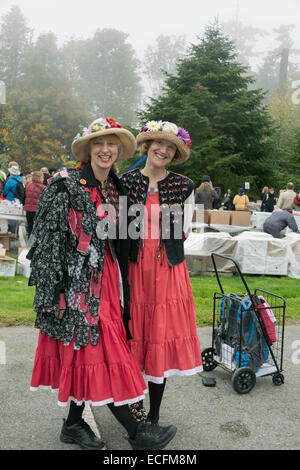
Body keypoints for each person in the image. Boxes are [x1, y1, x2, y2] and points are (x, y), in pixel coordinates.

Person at [27, 117, 176, 451]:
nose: (106, 150)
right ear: (88, 149)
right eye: (99, 144)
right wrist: (54, 296)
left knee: (87, 352)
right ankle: (137, 433)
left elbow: (127, 237)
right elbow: (47, 245)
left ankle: (73, 424)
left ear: (119, 151)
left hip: (108, 281)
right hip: (78, 287)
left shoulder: (117, 187)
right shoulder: (64, 185)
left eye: (112, 144)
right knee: (99, 350)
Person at [120, 120, 203, 428]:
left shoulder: (184, 185)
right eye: (159, 144)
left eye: (170, 148)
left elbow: (184, 231)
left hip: (167, 268)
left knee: (159, 336)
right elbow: (118, 229)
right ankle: (134, 404)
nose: (163, 150)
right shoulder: (127, 181)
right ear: (147, 146)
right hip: (134, 268)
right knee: (133, 334)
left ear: (175, 154)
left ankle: (154, 413)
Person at [23, 171, 45, 237]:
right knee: (38, 229)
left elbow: (23, 197)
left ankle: (29, 244)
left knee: (30, 228)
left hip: (28, 210)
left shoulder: (28, 185)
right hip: (38, 211)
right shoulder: (43, 187)